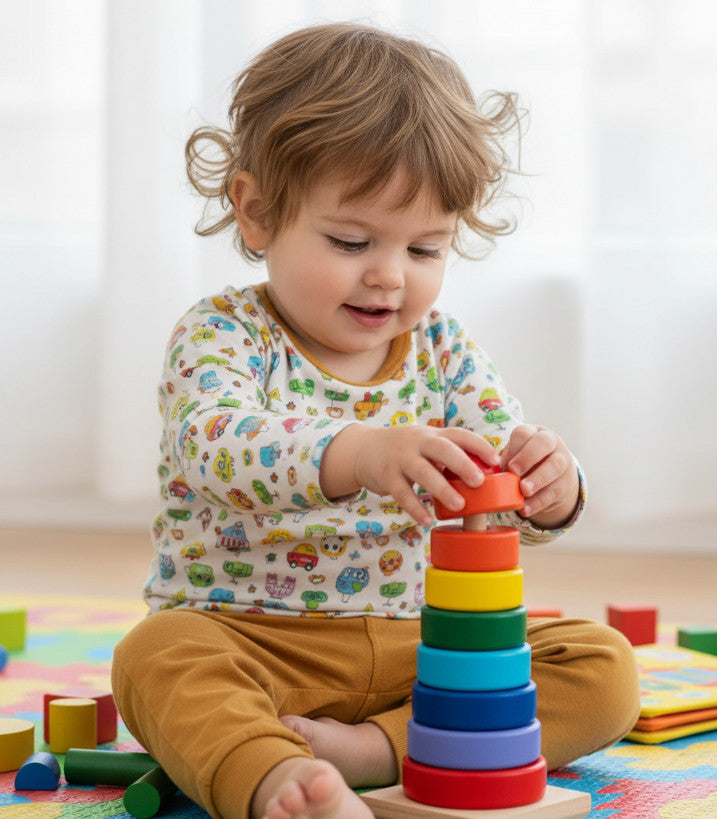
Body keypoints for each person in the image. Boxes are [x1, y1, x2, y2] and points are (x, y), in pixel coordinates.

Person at [112, 22, 640, 819]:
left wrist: (548, 486)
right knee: (156, 656)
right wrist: (358, 452)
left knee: (602, 665)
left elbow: (494, 486)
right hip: (250, 638)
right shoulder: (222, 333)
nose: (389, 276)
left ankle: (377, 749)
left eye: (425, 250)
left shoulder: (444, 350)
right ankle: (276, 778)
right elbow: (212, 447)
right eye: (351, 240)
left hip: (423, 650)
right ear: (257, 213)